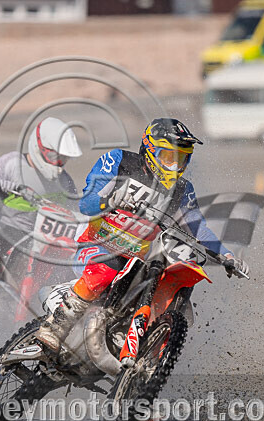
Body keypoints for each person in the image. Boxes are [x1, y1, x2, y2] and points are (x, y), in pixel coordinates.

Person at [34, 118, 249, 364]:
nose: (174, 166)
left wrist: (227, 256)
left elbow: (198, 228)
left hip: (138, 257)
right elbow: (86, 203)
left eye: (181, 159)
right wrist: (111, 201)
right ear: (149, 150)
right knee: (106, 270)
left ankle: (134, 344)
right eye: (168, 157)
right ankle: (55, 328)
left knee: (161, 285)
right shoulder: (119, 162)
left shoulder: (182, 190)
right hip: (97, 244)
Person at [0, 116, 82, 257]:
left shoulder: (65, 181)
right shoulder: (11, 164)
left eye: (63, 158)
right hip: (0, 229)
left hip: (35, 240)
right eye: (55, 157)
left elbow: (75, 215)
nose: (58, 163)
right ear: (39, 147)